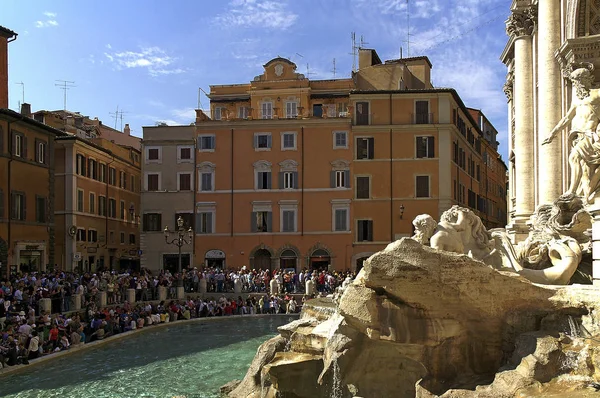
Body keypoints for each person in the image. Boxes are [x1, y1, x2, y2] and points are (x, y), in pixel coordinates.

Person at [543, 64, 600, 202]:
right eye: (575, 82)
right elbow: (567, 118)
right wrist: (553, 133)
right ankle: (584, 193)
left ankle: (572, 191)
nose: (577, 85)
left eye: (579, 81)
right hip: (579, 136)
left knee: (574, 158)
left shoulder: (597, 93)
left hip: (591, 135)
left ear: (587, 80)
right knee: (582, 167)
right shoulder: (576, 100)